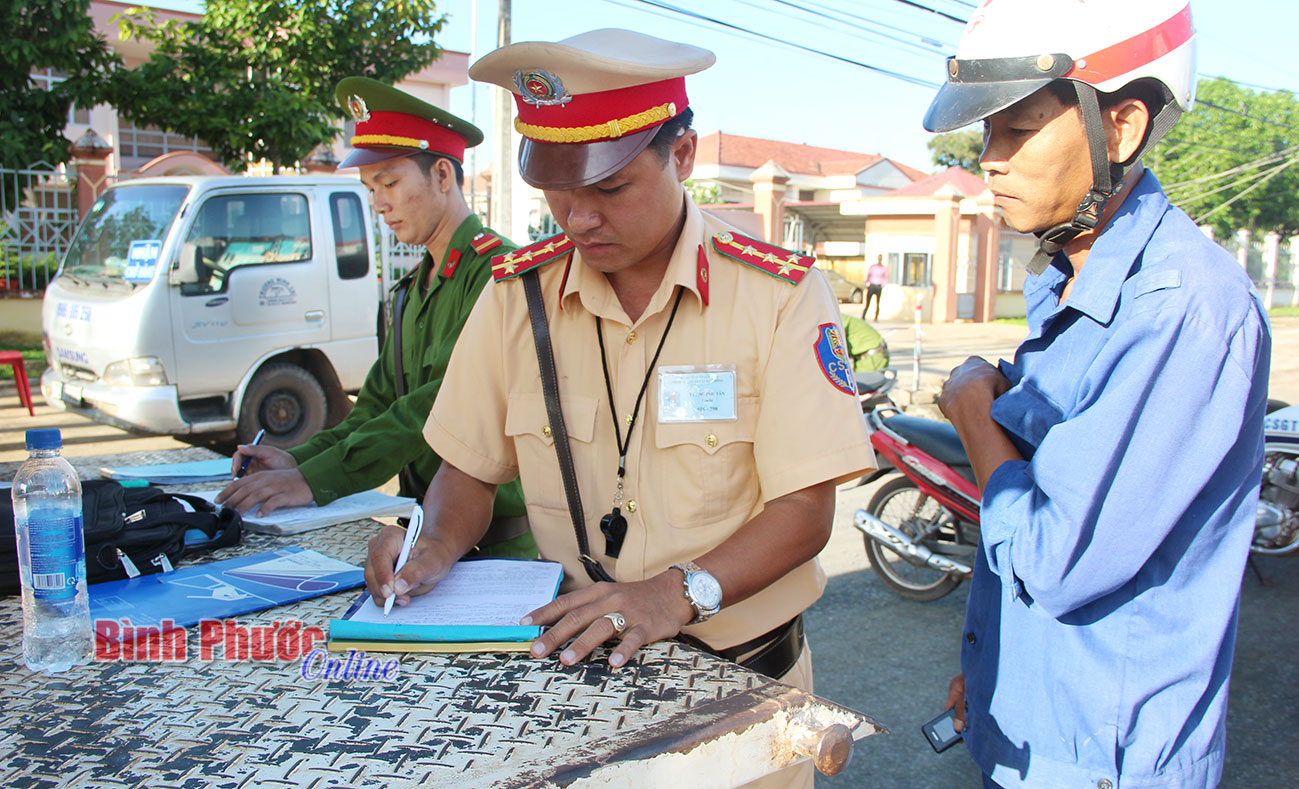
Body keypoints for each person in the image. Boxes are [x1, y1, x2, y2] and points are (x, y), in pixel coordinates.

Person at [364, 28, 874, 785]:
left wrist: (675, 593)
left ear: (685, 155)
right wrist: (431, 547)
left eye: (608, 188)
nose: (577, 220)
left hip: (738, 692)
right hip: (578, 680)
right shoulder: (515, 298)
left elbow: (804, 507)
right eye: (557, 191)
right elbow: (467, 469)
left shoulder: (780, 294)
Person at [925, 2, 1270, 787]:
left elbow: (1055, 555)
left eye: (1016, 130)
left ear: (1118, 128)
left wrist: (974, 404)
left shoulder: (1180, 306)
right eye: (985, 135)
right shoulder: (1063, 281)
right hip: (1036, 725)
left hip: (1104, 762)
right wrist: (993, 669)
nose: (990, 158)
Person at [218, 78, 533, 557]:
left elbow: (440, 405)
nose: (379, 202)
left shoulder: (496, 274)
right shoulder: (409, 292)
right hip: (423, 535)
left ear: (442, 176)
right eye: (370, 188)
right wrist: (297, 459)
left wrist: (312, 479)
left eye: (390, 182)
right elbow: (376, 407)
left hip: (501, 546)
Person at [863, 255, 887, 321]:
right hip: (872, 286)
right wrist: (866, 284)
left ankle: (876, 317)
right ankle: (863, 316)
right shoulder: (873, 267)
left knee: (877, 303)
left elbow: (885, 277)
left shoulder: (884, 268)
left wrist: (882, 285)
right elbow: (868, 275)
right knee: (868, 302)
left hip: (878, 286)